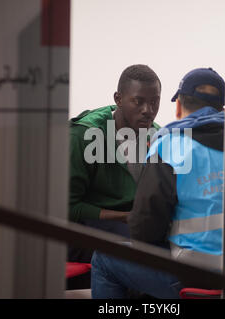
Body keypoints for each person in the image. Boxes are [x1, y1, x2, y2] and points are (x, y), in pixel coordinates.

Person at [91, 67, 225, 299]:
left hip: (193, 276)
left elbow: (144, 230)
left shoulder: (169, 145)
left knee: (104, 259)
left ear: (178, 106)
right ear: (222, 109)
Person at [68, 64, 161, 263]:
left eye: (155, 102)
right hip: (82, 230)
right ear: (118, 99)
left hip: (133, 225)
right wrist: (125, 217)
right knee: (141, 248)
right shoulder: (84, 136)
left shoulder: (158, 137)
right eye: (138, 101)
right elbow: (67, 208)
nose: (148, 111)